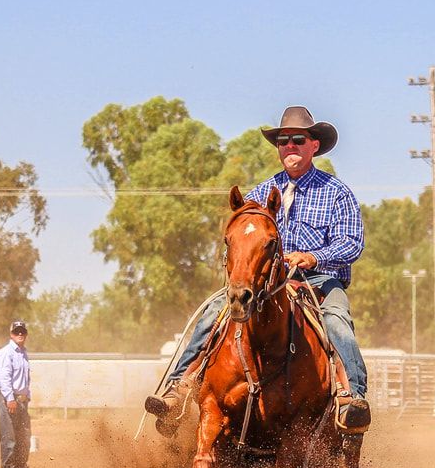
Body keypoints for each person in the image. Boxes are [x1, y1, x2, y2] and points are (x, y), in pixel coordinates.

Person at [145, 105, 371, 437]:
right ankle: (178, 388)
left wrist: (313, 256)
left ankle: (352, 399)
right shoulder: (260, 193)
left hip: (318, 281)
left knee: (338, 322)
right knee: (212, 313)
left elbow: (352, 243)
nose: (289, 146)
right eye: (283, 141)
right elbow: (241, 237)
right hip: (265, 283)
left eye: (297, 139)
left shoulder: (336, 193)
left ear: (314, 146)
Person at [0, 320, 35, 468]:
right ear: (11, 334)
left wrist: (26, 396)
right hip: (9, 399)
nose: (20, 334)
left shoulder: (23, 353)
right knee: (9, 437)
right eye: (17, 331)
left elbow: (25, 378)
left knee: (24, 436)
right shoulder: (6, 353)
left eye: (22, 331)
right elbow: (4, 378)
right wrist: (10, 398)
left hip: (21, 401)